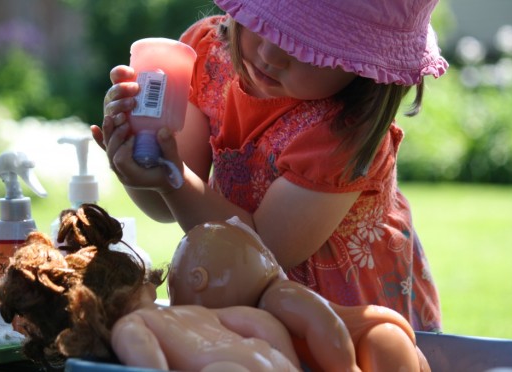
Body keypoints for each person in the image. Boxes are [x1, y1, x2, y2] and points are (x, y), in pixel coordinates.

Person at [94, 0, 448, 331]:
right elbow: (164, 203)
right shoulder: (211, 59)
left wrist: (173, 181)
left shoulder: (344, 132)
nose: (270, 54)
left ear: (369, 65)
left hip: (339, 317)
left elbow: (264, 250)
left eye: (309, 44)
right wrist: (139, 157)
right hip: (241, 297)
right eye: (266, 22)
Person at [0, 204, 301, 371]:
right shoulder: (190, 312)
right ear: (145, 285)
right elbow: (259, 321)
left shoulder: (131, 328)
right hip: (271, 360)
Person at [169, 216, 431, 371]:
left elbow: (326, 325)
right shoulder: (260, 313)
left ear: (200, 278)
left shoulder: (278, 297)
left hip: (378, 341)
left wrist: (345, 369)